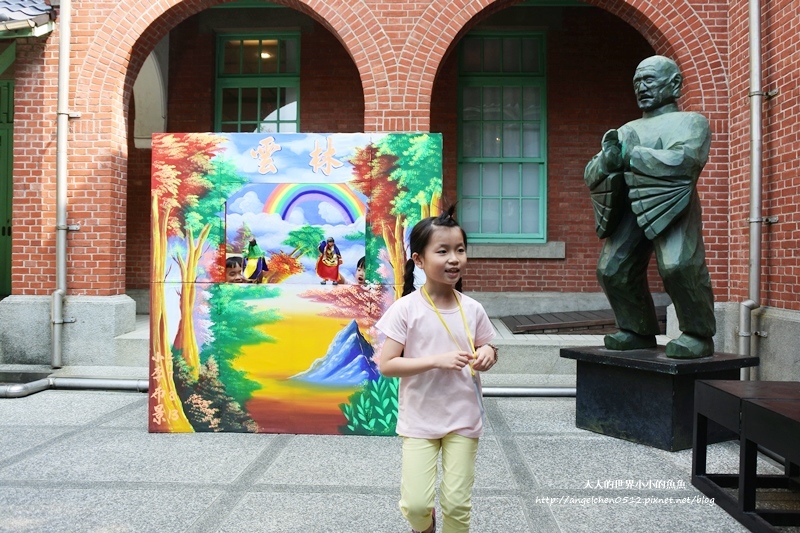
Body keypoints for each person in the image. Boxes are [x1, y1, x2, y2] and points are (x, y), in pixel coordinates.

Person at [376, 206, 498, 533]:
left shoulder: (473, 309)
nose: (454, 258)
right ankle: (426, 525)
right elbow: (387, 364)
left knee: (457, 504)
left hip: (464, 416)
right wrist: (436, 360)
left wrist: (487, 353)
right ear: (419, 260)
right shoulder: (405, 310)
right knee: (415, 505)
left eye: (460, 250)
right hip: (419, 419)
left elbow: (489, 345)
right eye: (442, 251)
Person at [584, 55, 715, 358]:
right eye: (637, 82)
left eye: (649, 79)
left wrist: (635, 157)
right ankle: (637, 329)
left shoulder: (692, 122)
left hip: (672, 202)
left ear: (675, 83)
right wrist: (608, 160)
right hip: (630, 205)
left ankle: (698, 333)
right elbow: (592, 172)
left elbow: (686, 160)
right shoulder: (627, 128)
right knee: (612, 268)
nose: (641, 87)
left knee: (679, 264)